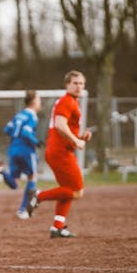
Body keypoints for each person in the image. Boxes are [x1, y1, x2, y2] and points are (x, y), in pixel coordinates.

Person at [27, 70, 92, 238]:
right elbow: (60, 125)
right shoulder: (67, 101)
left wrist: (79, 137)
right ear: (67, 85)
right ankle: (38, 195)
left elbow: (64, 130)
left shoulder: (71, 102)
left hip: (58, 151)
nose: (78, 86)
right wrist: (76, 141)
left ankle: (57, 227)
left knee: (67, 189)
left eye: (81, 83)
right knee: (77, 191)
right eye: (75, 83)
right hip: (60, 153)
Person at [0, 90, 42, 220]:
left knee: (15, 183)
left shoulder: (19, 115)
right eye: (39, 100)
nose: (40, 103)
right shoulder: (32, 116)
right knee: (32, 177)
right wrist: (37, 142)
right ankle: (24, 210)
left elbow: (7, 130)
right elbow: (25, 132)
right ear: (34, 101)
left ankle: (1, 171)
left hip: (13, 149)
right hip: (26, 150)